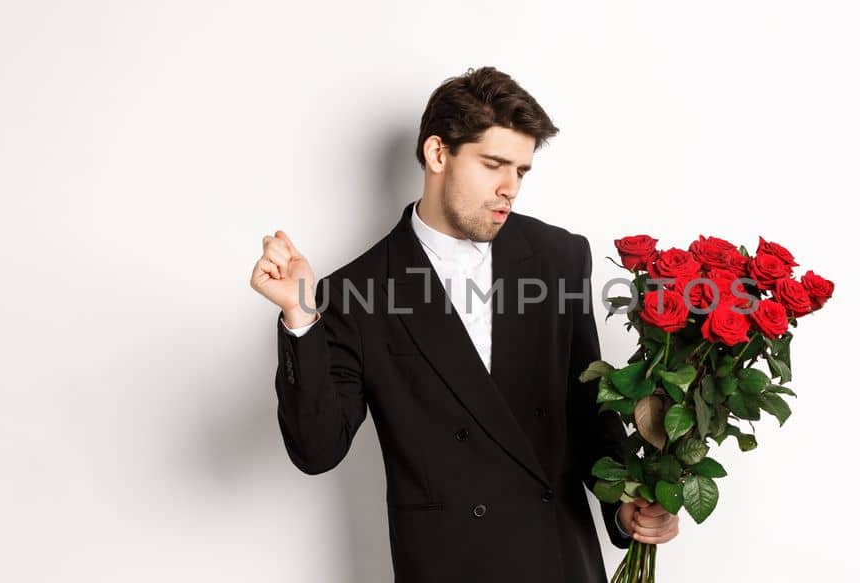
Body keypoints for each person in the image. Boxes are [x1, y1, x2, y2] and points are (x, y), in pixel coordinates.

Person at [250, 66, 680, 582]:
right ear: (438, 154)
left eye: (520, 171)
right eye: (494, 164)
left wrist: (623, 504)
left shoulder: (557, 257)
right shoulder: (356, 291)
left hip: (558, 559)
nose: (509, 188)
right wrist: (300, 315)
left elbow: (586, 412)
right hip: (449, 566)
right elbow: (316, 450)